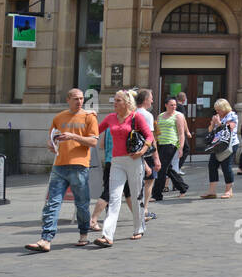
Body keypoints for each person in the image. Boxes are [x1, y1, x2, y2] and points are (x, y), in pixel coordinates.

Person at [25, 88, 100, 252]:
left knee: (81, 204)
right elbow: (52, 138)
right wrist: (51, 145)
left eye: (81, 99)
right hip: (59, 165)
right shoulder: (59, 117)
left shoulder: (89, 117)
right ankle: (46, 239)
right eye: (76, 98)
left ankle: (83, 234)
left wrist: (73, 136)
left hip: (80, 166)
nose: (79, 101)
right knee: (52, 203)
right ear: (68, 99)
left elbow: (93, 142)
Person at [93, 90, 153, 247]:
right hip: (116, 161)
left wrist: (143, 151)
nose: (115, 103)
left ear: (127, 103)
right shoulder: (110, 118)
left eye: (118, 100)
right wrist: (88, 119)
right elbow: (95, 131)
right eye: (114, 100)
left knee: (136, 196)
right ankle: (107, 236)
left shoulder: (136, 117)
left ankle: (139, 228)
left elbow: (149, 136)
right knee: (114, 198)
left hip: (134, 160)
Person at [201, 98, 241, 198]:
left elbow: (230, 129)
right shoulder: (217, 116)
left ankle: (229, 190)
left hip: (229, 144)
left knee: (226, 166)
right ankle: (212, 191)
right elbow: (210, 130)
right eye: (216, 109)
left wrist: (219, 123)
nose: (217, 111)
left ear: (225, 107)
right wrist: (213, 124)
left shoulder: (232, 115)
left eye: (219, 109)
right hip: (217, 144)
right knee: (212, 165)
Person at [152, 96, 189, 199]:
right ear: (166, 105)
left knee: (161, 168)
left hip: (171, 143)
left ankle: (157, 194)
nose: (174, 107)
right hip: (160, 143)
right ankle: (183, 187)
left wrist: (180, 147)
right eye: (171, 105)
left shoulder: (178, 116)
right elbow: (156, 131)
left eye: (175, 105)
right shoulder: (160, 116)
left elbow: (181, 133)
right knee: (168, 168)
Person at [135, 89, 164, 218]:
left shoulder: (132, 113)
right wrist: (156, 158)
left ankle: (138, 209)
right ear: (145, 100)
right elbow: (151, 137)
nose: (152, 100)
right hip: (146, 152)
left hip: (133, 151)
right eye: (151, 98)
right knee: (149, 181)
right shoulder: (147, 115)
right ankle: (144, 210)